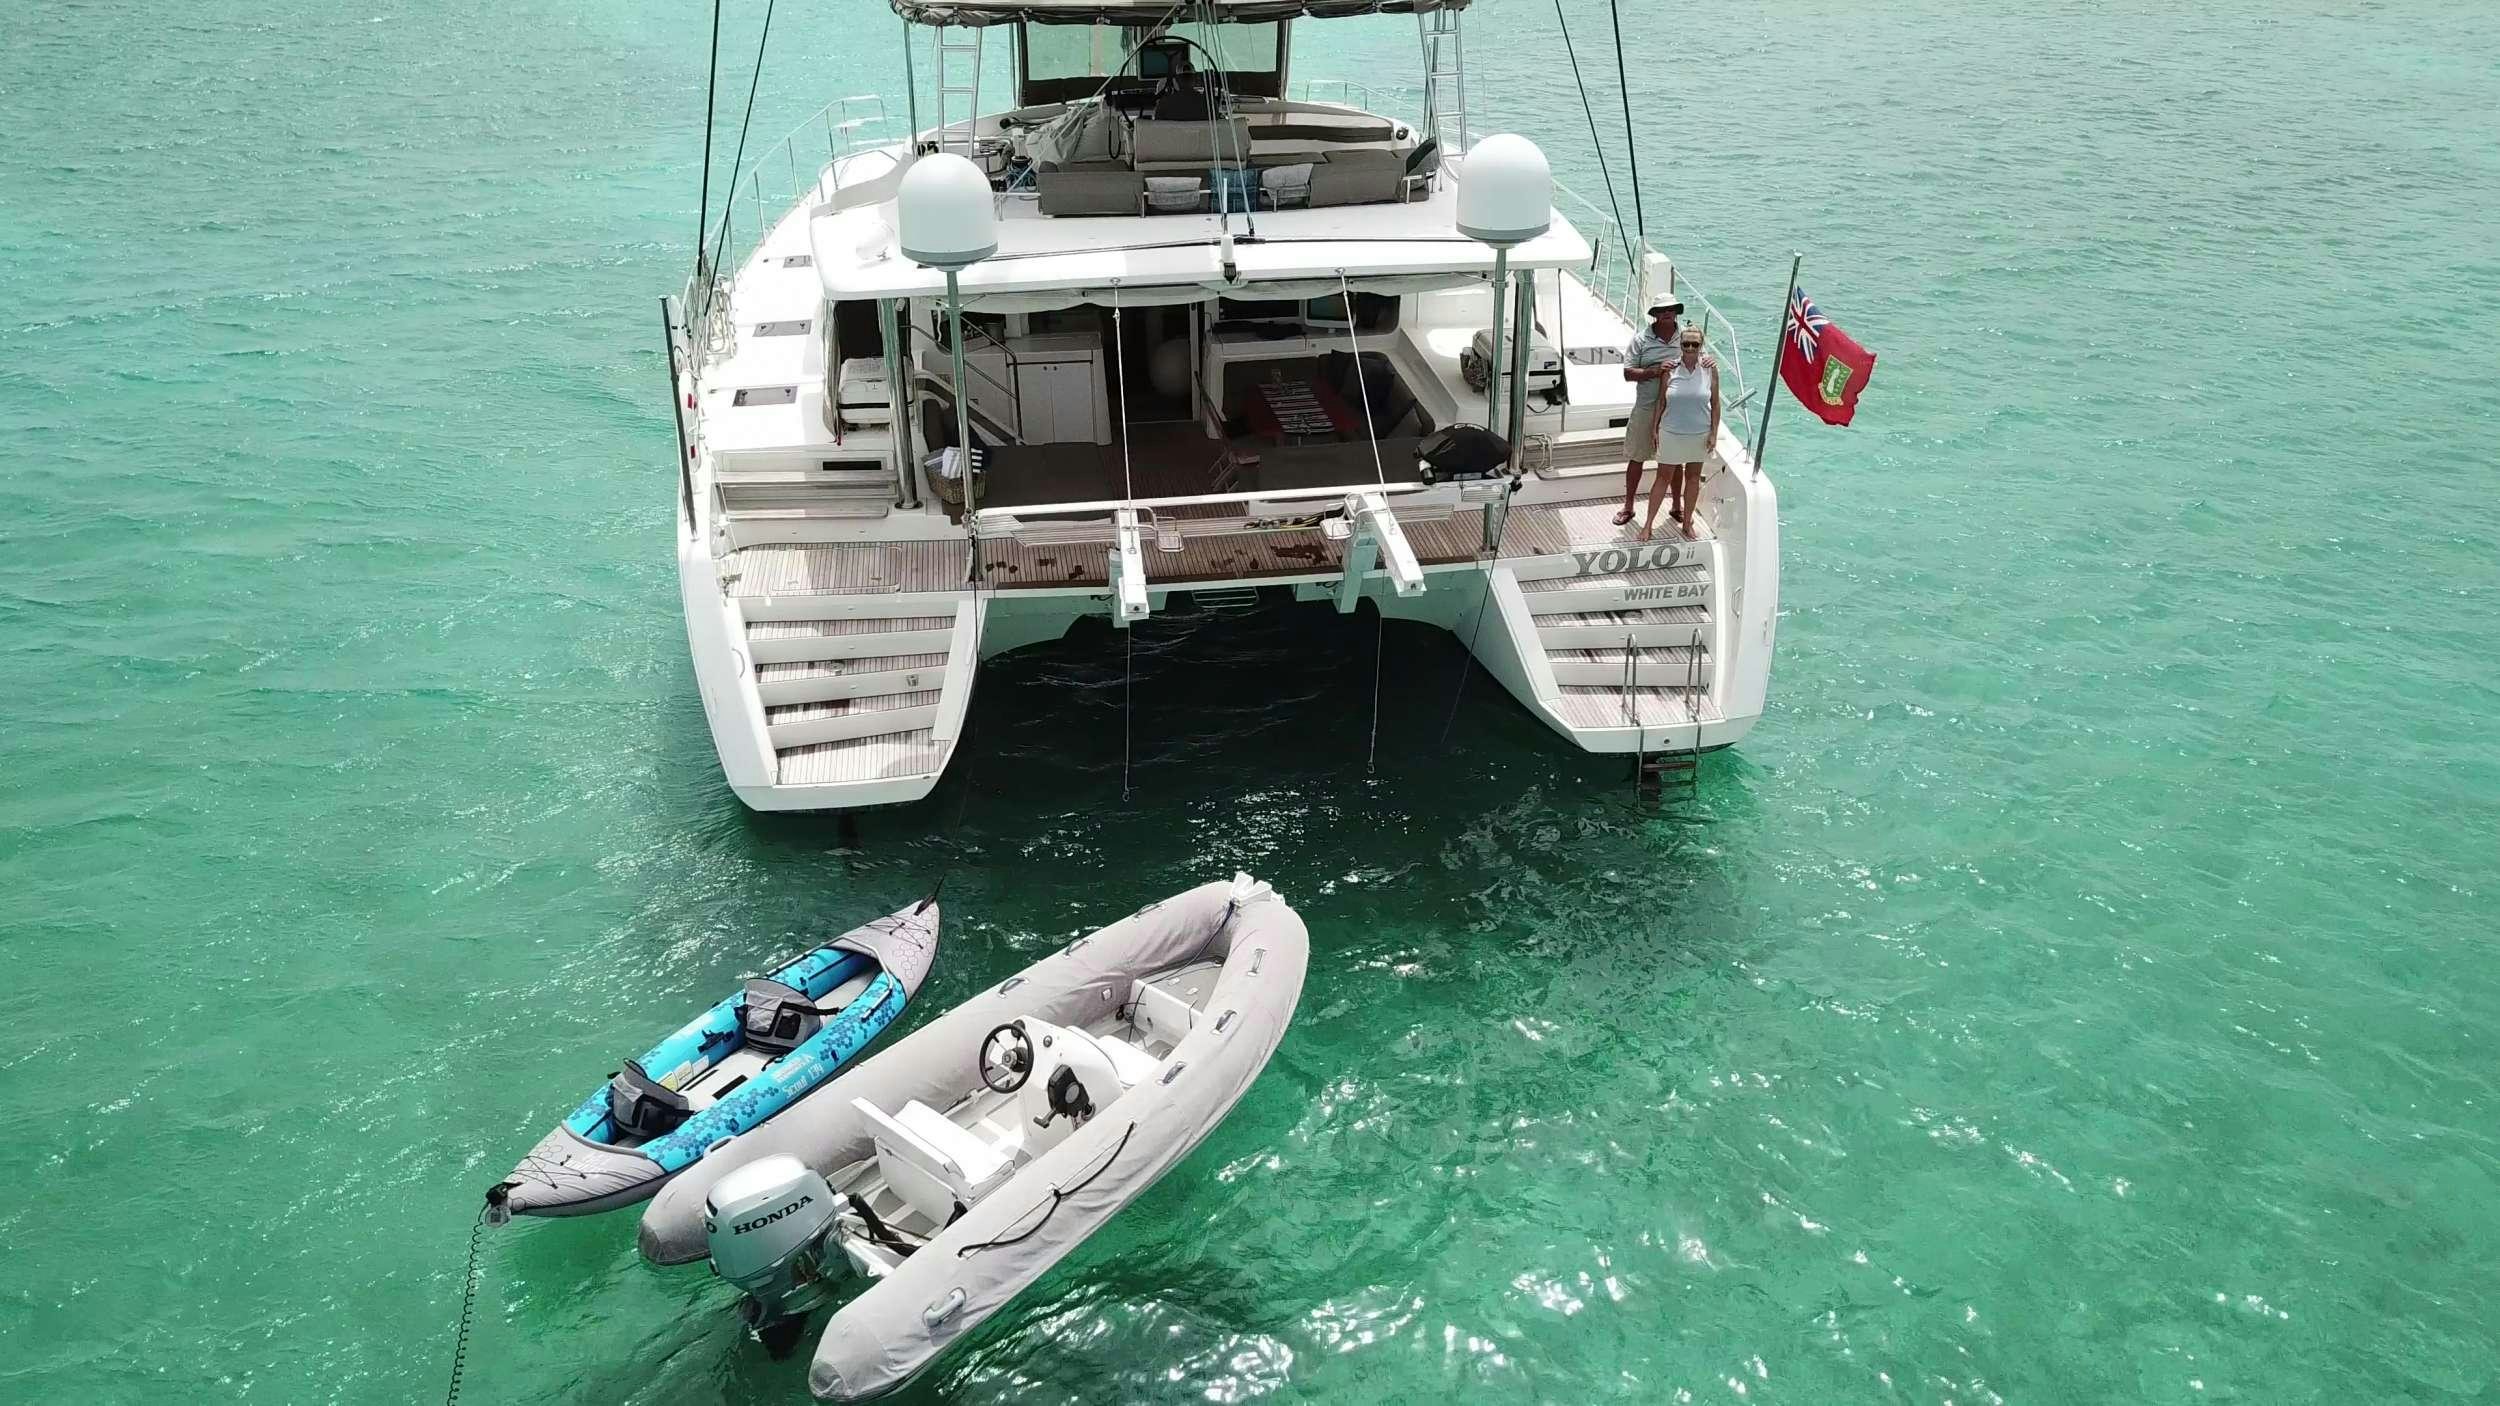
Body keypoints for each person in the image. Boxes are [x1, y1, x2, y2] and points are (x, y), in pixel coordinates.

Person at [1615, 299, 1713, 527]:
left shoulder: (1687, 337)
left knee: (1676, 461)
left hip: (1676, 411)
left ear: (1676, 313)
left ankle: (1676, 506)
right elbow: (1628, 373)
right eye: (1662, 310)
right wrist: (1655, 371)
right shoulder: (1641, 340)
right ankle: (1628, 506)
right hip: (1647, 406)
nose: (1667, 313)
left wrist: (1709, 359)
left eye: (1671, 309)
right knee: (1637, 457)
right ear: (1655, 314)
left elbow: (1700, 359)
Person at [1640, 325, 1720, 541]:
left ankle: (1687, 523)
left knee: (1693, 478)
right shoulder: (1670, 368)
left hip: (1699, 433)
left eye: (1695, 344)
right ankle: (1648, 525)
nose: (1691, 348)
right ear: (1680, 345)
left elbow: (1715, 403)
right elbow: (1661, 401)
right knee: (1662, 478)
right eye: (1686, 344)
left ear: (1701, 345)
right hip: (1671, 432)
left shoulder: (1710, 369)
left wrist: (1714, 433)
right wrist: (1654, 429)